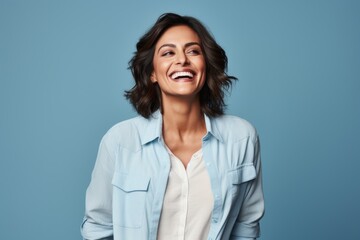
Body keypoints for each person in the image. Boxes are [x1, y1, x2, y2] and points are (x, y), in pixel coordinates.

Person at [81, 13, 264, 240]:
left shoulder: (242, 138)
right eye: (168, 53)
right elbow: (98, 229)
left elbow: (245, 228)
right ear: (152, 73)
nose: (182, 60)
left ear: (206, 65)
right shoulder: (120, 141)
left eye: (193, 51)